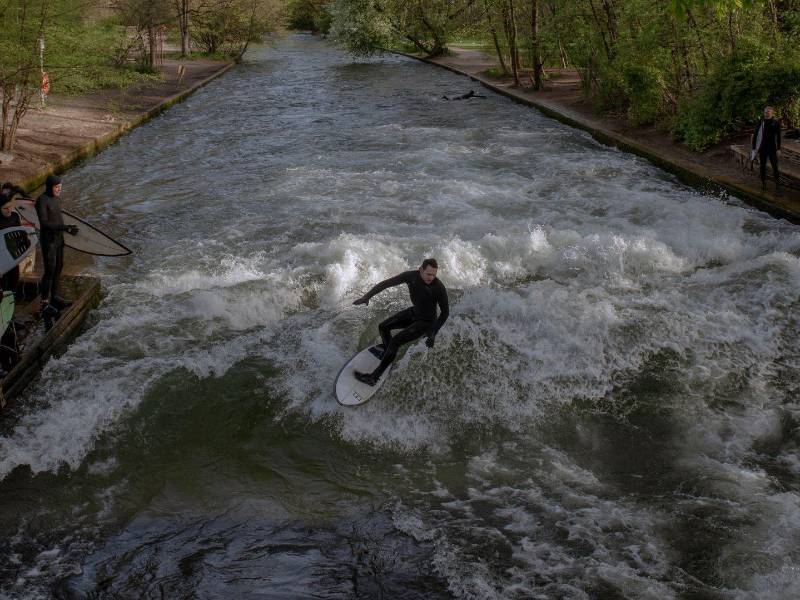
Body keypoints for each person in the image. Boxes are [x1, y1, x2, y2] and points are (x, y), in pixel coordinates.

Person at [352, 258, 449, 386]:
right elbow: (386, 283)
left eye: (434, 275)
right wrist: (367, 296)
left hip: (427, 321)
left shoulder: (438, 288)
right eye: (428, 274)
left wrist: (433, 332)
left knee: (396, 341)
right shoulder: (411, 276)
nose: (431, 278)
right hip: (415, 312)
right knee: (383, 327)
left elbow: (445, 313)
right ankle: (389, 354)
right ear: (421, 270)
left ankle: (373, 378)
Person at [35, 174, 78, 317]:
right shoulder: (42, 200)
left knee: (59, 266)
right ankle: (44, 303)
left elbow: (58, 219)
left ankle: (54, 297)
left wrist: (68, 230)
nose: (59, 190)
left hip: (59, 239)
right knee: (49, 270)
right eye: (56, 187)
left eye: (60, 187)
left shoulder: (57, 199)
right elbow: (44, 223)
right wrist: (64, 227)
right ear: (49, 187)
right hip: (48, 241)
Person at [752, 106, 782, 193]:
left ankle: (777, 185)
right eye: (765, 112)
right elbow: (755, 135)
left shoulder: (775, 123)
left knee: (775, 167)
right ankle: (763, 183)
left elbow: (779, 137)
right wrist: (754, 148)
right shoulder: (761, 122)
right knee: (762, 166)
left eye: (768, 112)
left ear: (772, 113)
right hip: (762, 148)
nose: (766, 113)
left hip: (772, 148)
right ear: (764, 112)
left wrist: (779, 148)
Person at [0, 193, 24, 295]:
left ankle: (11, 300)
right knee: (2, 283)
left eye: (10, 206)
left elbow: (21, 234)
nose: (9, 210)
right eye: (5, 208)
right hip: (1, 256)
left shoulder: (15, 216)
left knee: (14, 279)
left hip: (14, 253)